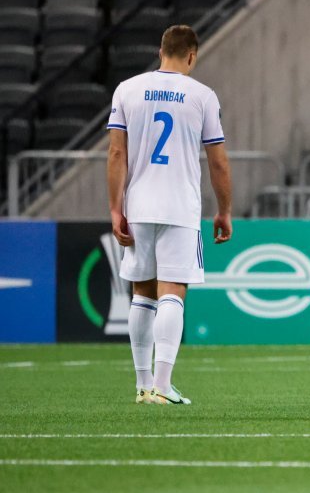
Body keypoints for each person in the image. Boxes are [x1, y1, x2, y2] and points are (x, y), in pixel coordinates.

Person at [106, 24, 232, 406]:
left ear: (161, 50)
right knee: (173, 292)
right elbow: (218, 163)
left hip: (139, 205)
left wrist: (115, 207)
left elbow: (116, 154)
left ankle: (143, 385)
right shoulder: (202, 96)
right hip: (180, 207)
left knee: (142, 292)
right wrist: (224, 210)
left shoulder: (127, 89)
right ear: (191, 55)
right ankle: (163, 383)